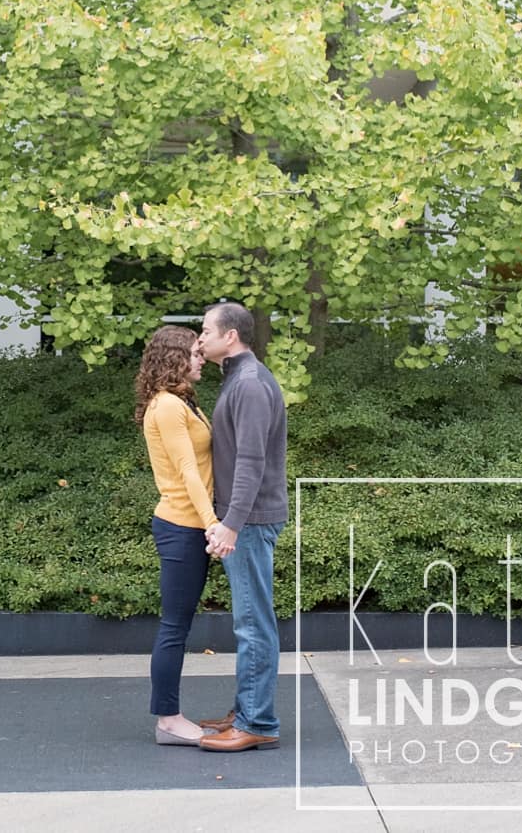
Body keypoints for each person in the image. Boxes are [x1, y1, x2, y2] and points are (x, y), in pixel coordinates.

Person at [195, 300, 289, 752]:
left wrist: (231, 524)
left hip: (249, 521)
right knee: (251, 621)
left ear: (230, 336)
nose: (200, 338)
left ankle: (258, 723)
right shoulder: (239, 379)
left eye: (206, 331)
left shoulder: (249, 384)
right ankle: (247, 710)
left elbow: (252, 462)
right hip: (245, 519)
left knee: (253, 624)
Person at [136, 323, 216, 745]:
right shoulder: (167, 406)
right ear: (175, 357)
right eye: (195, 352)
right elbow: (188, 472)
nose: (201, 358)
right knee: (174, 627)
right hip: (182, 526)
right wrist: (213, 524)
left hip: (190, 525)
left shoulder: (182, 402)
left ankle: (169, 717)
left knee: (178, 625)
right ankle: (167, 719)